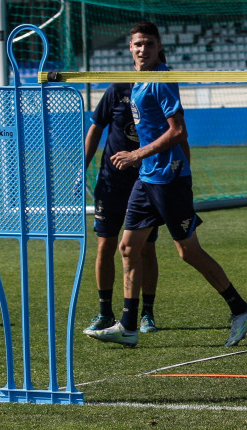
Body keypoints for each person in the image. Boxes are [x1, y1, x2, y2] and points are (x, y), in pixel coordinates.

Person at [98, 20, 247, 348]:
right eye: (137, 44)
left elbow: (177, 130)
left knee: (187, 252)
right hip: (148, 178)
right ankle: (128, 325)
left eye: (149, 44)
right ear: (130, 48)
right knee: (128, 247)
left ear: (159, 48)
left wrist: (137, 156)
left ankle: (241, 309)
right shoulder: (136, 83)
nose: (143, 49)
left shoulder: (162, 80)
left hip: (168, 180)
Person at [82, 81, 160, 338]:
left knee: (146, 247)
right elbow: (96, 128)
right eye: (136, 45)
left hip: (145, 180)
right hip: (110, 182)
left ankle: (146, 312)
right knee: (105, 245)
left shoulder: (159, 89)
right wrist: (81, 165)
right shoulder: (116, 90)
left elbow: (175, 133)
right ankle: (105, 312)